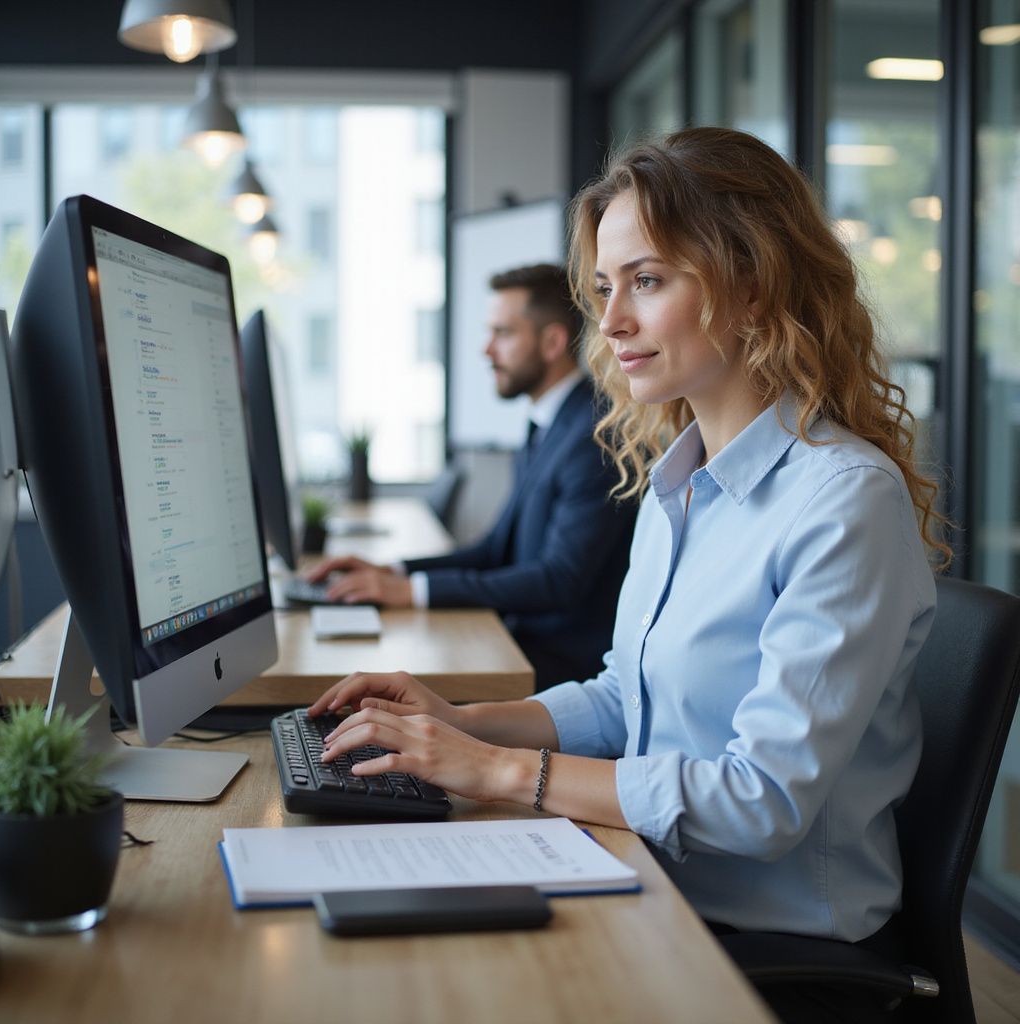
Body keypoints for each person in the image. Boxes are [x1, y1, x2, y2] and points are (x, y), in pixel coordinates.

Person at [308, 128, 950, 1022]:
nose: (609, 323)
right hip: (655, 878)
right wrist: (455, 719)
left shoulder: (843, 503)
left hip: (773, 948)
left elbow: (761, 804)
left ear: (752, 282)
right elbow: (624, 701)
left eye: (647, 281)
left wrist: (497, 771)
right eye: (607, 287)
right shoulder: (677, 484)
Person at [306, 263, 637, 690]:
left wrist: (413, 592)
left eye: (502, 333)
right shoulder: (550, 424)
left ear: (552, 341)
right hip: (522, 645)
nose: (486, 350)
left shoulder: (593, 435)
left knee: (385, 681)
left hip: (561, 669)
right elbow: (495, 549)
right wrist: (395, 572)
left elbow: (560, 580)